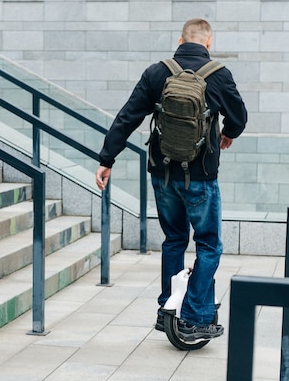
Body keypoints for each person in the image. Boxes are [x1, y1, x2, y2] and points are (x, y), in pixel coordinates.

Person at [95, 18, 247, 341]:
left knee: (174, 240)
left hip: (162, 175)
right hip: (202, 178)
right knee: (209, 244)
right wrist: (229, 133)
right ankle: (193, 315)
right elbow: (240, 117)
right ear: (209, 43)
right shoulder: (218, 75)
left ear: (180, 40)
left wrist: (106, 158)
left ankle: (168, 309)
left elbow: (128, 116)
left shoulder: (156, 72)